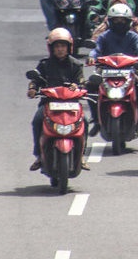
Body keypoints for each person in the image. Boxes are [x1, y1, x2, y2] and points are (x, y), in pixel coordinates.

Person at [28, 28, 89, 171]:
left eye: (63, 46)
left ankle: (81, 156)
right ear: (52, 48)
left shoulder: (76, 64)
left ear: (69, 47)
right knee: (37, 121)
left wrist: (77, 86)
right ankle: (39, 155)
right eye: (57, 46)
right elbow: (35, 80)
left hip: (71, 104)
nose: (60, 49)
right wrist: (32, 89)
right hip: (49, 103)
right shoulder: (44, 64)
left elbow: (81, 82)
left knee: (85, 121)